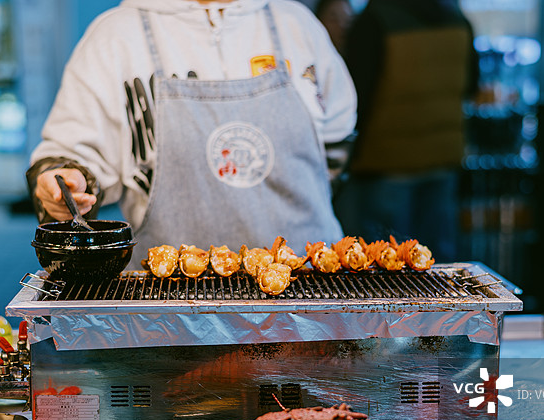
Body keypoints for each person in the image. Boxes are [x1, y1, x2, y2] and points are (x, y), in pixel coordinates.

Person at [27, 0, 356, 268]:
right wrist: (67, 183)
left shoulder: (296, 24)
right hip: (167, 303)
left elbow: (336, 141)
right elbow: (71, 156)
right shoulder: (116, 36)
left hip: (311, 292)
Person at [334, 0, 478, 263]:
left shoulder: (375, 18)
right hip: (443, 157)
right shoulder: (456, 17)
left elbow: (356, 96)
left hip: (388, 161)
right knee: (437, 261)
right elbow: (472, 84)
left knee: (384, 262)